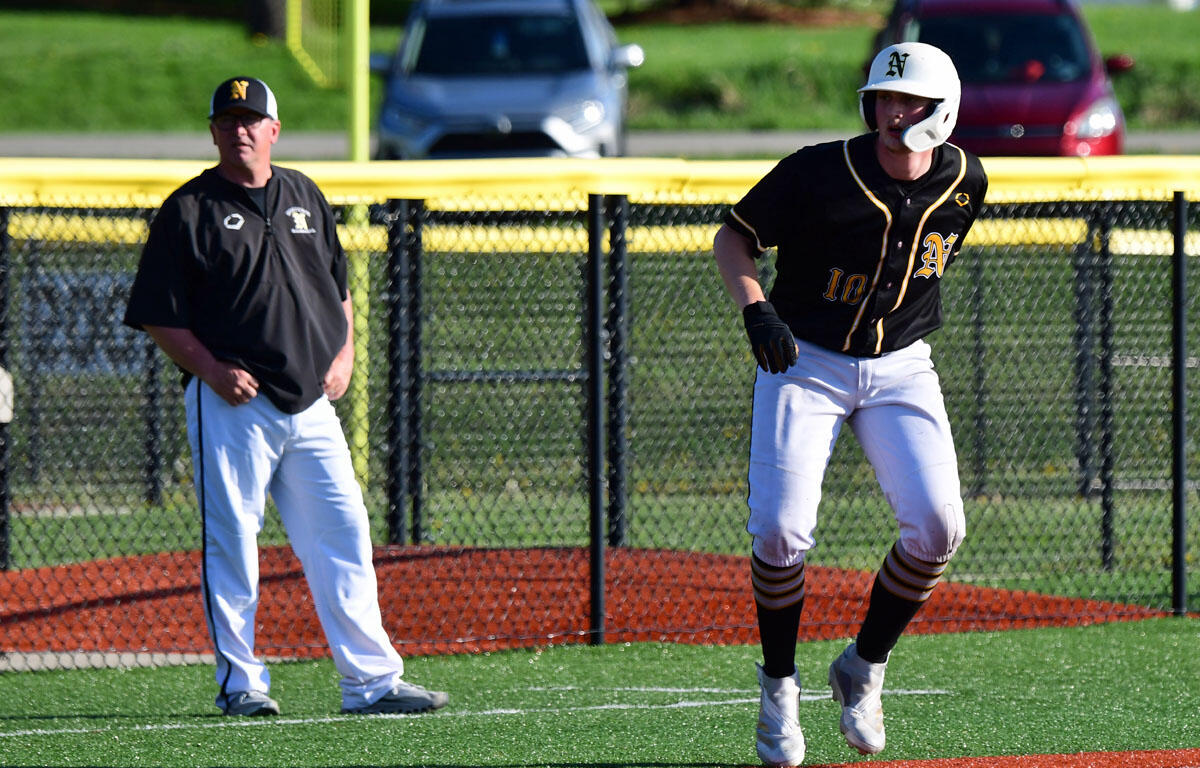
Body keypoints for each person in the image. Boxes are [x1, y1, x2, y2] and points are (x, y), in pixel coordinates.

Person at [123, 76, 448, 718]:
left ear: (274, 130)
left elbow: (340, 286)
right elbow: (159, 313)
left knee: (344, 535)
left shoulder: (303, 192)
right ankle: (241, 683)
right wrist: (211, 370)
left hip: (311, 405)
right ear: (213, 131)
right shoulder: (189, 210)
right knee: (234, 542)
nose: (240, 129)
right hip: (233, 403)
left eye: (252, 119)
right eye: (228, 119)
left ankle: (372, 682)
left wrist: (346, 352)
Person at [712, 43, 987, 765]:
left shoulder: (966, 179)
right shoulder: (817, 170)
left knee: (937, 527)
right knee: (778, 532)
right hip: (805, 359)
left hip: (900, 366)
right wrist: (756, 311)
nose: (894, 114)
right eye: (883, 100)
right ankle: (778, 685)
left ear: (943, 110)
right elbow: (733, 239)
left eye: (910, 103)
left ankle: (863, 666)